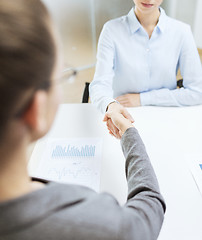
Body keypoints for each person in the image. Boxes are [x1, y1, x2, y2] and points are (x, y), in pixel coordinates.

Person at [0, 0, 165, 239]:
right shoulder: (96, 223)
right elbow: (148, 209)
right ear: (36, 109)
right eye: (61, 74)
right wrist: (129, 133)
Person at [89, 0, 202, 136]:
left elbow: (198, 91)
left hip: (168, 120)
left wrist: (142, 99)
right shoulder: (111, 30)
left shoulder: (181, 31)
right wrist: (111, 105)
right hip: (123, 119)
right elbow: (99, 85)